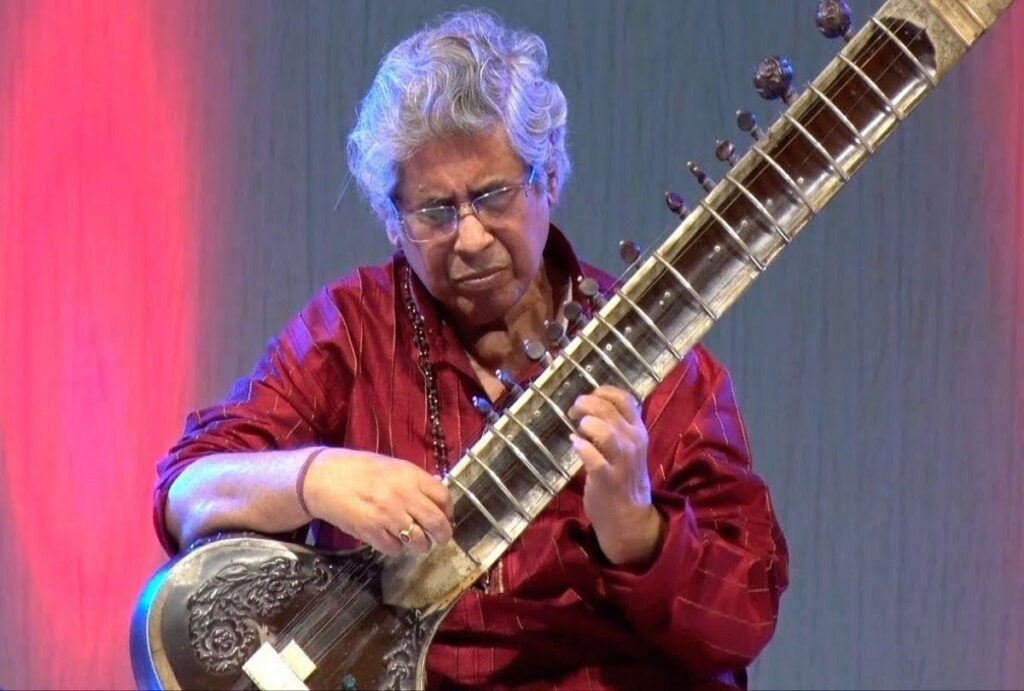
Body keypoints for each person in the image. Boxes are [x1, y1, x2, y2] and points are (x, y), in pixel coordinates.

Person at [154, 9, 788, 690]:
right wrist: (316, 479)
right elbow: (186, 492)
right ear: (392, 221)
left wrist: (639, 534)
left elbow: (744, 619)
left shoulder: (660, 364)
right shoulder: (353, 331)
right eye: (435, 211)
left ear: (549, 178)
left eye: (494, 196)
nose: (472, 238)